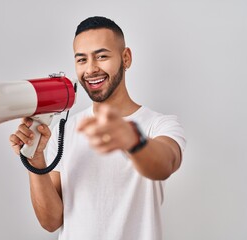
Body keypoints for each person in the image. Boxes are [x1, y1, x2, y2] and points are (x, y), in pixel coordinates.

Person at [10, 16, 186, 240]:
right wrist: (36, 162)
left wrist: (132, 140)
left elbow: (165, 164)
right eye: (81, 60)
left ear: (126, 58)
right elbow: (51, 221)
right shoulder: (65, 129)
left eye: (101, 56)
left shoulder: (159, 124)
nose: (91, 69)